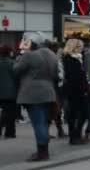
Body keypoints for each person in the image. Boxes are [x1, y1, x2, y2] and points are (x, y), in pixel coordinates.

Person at [14, 32, 59, 161]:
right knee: (44, 122)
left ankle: (42, 152)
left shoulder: (29, 55)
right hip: (49, 91)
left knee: (38, 122)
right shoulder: (52, 55)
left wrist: (19, 58)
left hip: (32, 93)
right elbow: (56, 75)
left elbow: (16, 70)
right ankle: (44, 149)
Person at [62, 39, 89, 145]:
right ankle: (74, 135)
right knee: (77, 113)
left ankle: (76, 134)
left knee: (80, 113)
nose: (82, 49)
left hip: (77, 90)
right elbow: (74, 77)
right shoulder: (70, 59)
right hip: (75, 91)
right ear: (74, 47)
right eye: (80, 47)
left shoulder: (77, 59)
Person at [0, 44, 17, 138]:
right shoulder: (12, 63)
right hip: (10, 92)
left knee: (4, 112)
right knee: (10, 113)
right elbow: (16, 76)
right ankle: (10, 132)